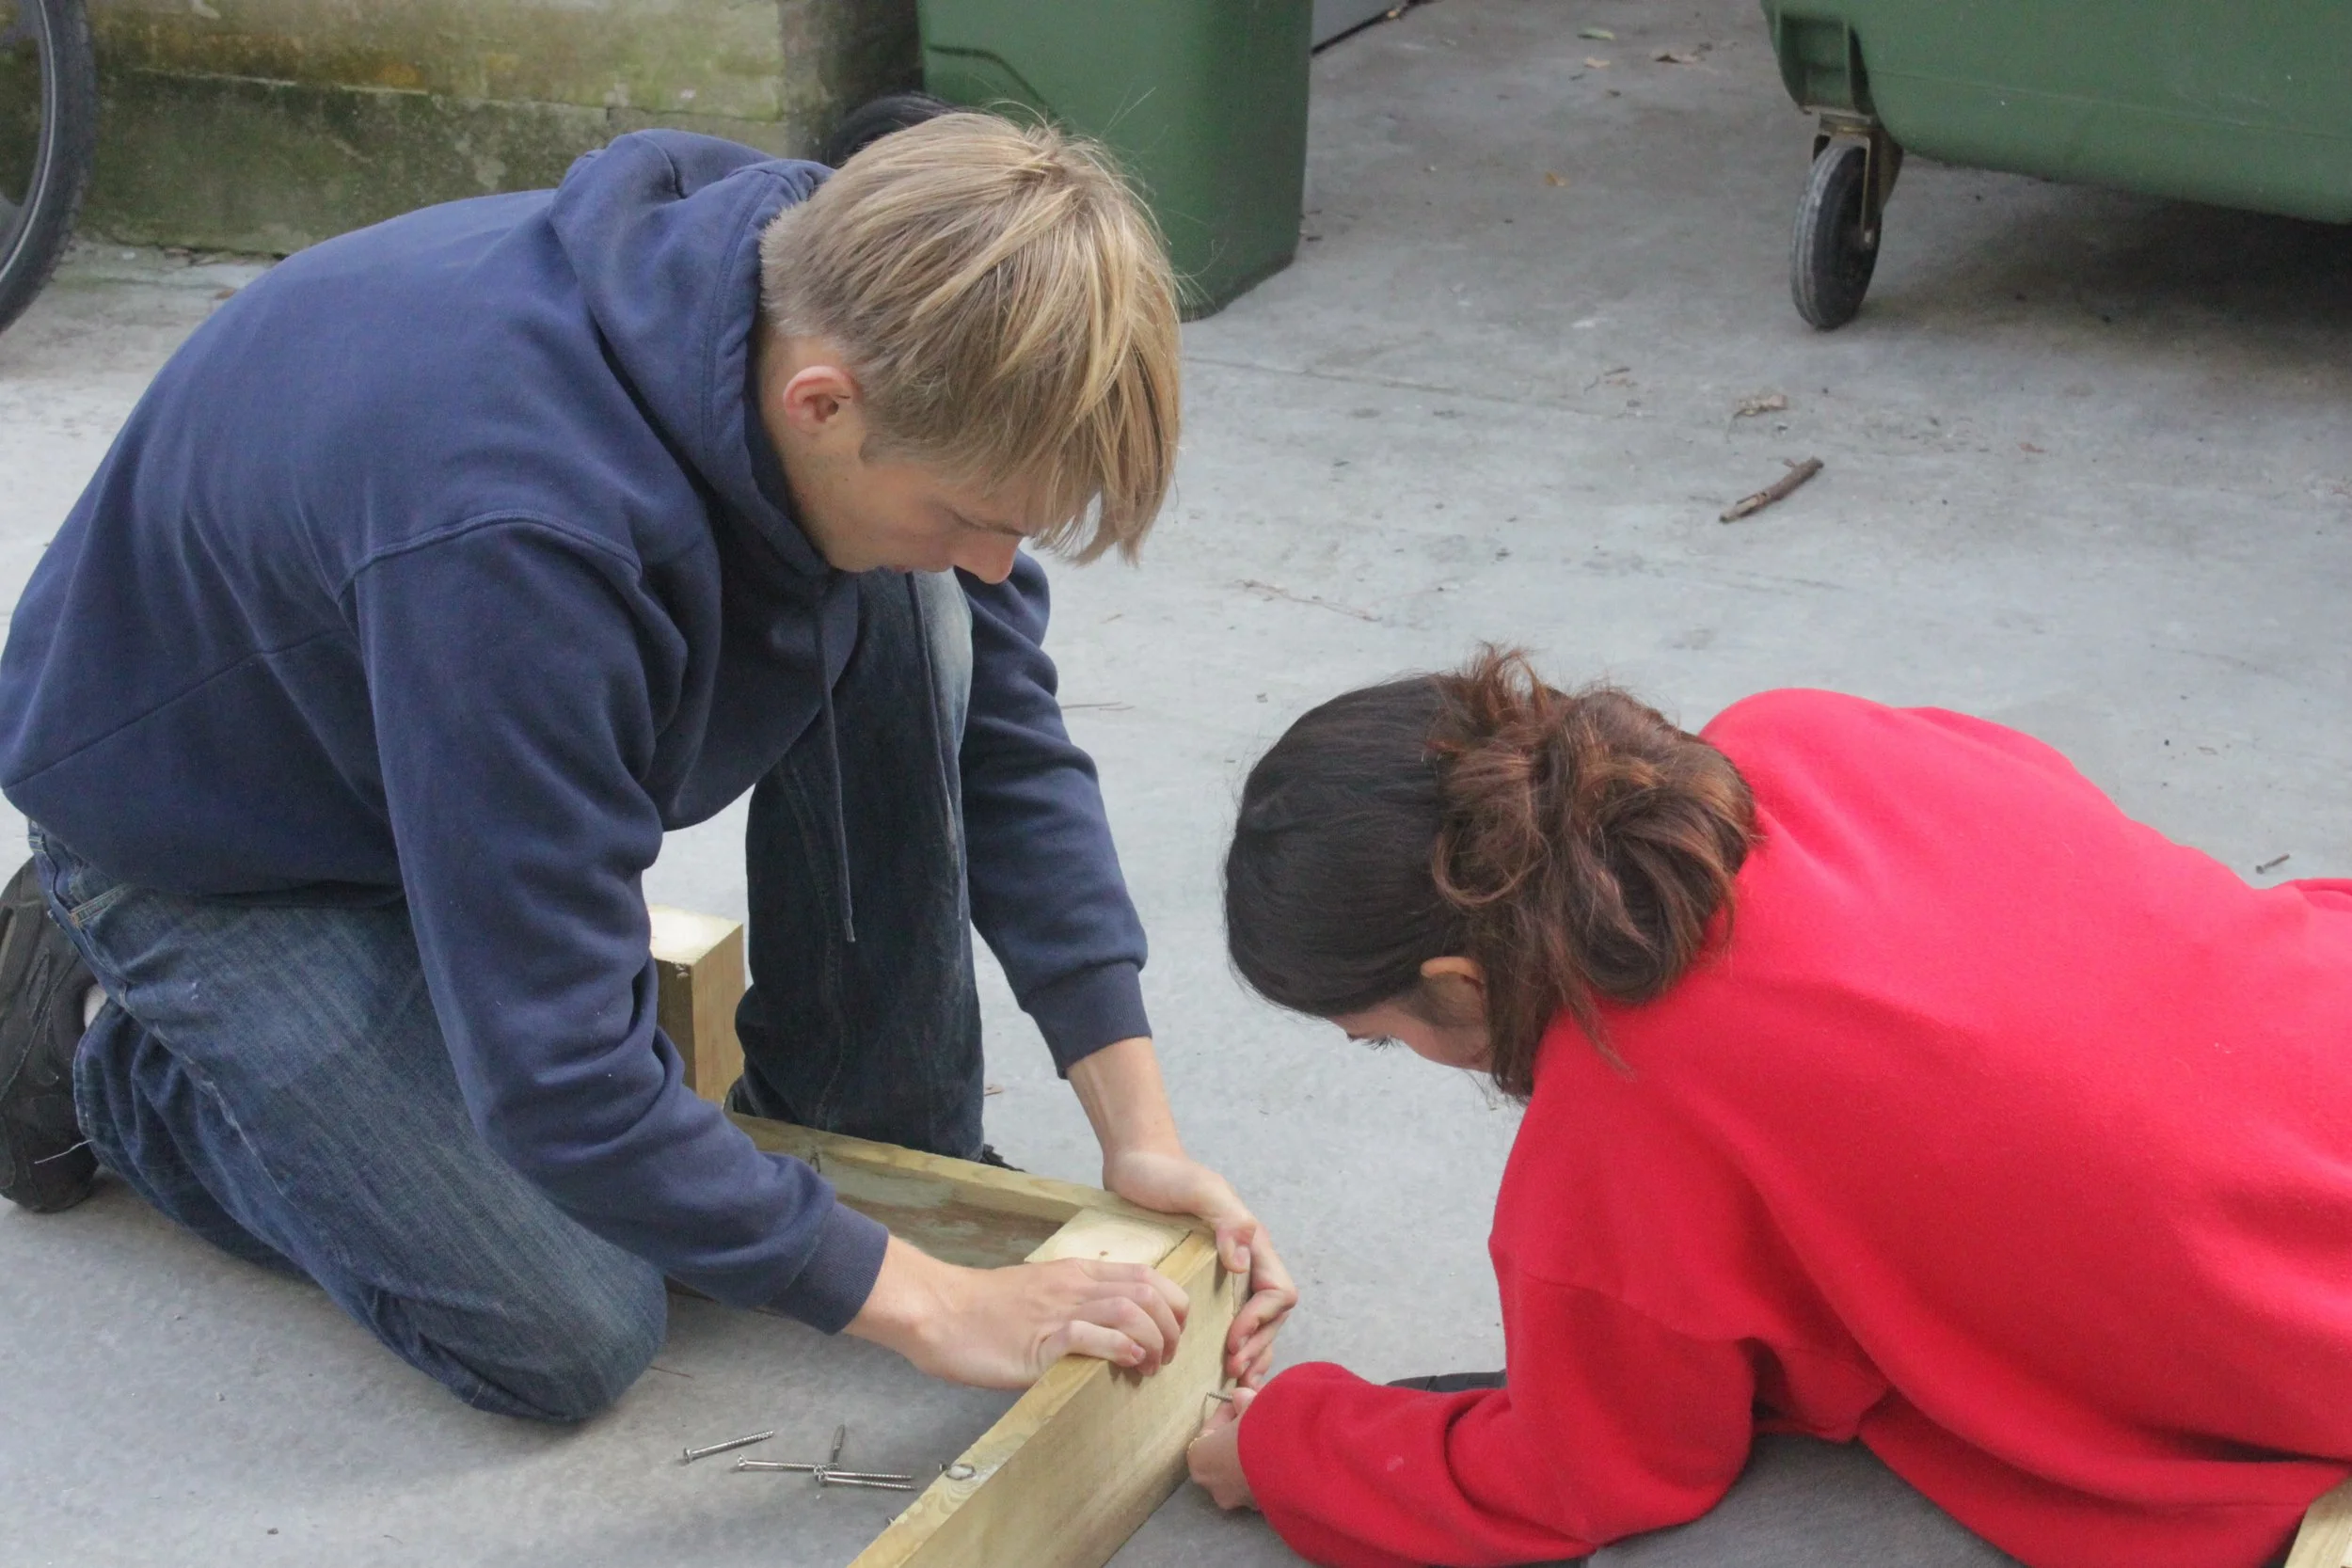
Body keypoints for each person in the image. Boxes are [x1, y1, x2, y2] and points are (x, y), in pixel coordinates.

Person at [0, 113, 1295, 1420]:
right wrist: (938, 1304)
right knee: (569, 1321)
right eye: (969, 514)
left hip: (435, 730)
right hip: (223, 844)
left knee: (918, 606)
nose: (993, 559)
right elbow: (559, 1079)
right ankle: (100, 1037)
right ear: (823, 403)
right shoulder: (517, 538)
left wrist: (1139, 1131)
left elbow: (1005, 740)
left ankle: (866, 1115)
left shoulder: (841, 283)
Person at [1187, 646, 2352, 1568]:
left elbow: (1592, 1473)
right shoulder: (1797, 733)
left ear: (1459, 982)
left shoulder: (1623, 1111)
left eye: (1381, 1039)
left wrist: (1284, 1445)